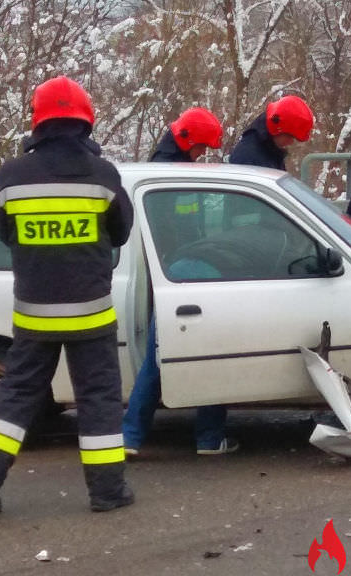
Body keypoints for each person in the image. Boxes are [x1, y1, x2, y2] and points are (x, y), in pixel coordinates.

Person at [0, 76, 134, 513]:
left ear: (38, 122)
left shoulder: (11, 176)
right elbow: (120, 233)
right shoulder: (103, 174)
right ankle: (107, 493)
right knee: (97, 400)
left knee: (16, 395)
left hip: (34, 316)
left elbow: (6, 234)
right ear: (85, 121)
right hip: (92, 317)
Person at [122, 108, 238, 456]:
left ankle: (131, 436)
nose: (202, 155)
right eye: (200, 148)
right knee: (211, 354)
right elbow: (173, 232)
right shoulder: (168, 174)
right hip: (186, 271)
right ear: (186, 140)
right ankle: (208, 437)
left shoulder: (168, 170)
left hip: (179, 271)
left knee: (159, 358)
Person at [228, 95, 314, 170]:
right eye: (290, 136)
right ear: (277, 128)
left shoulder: (270, 151)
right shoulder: (248, 157)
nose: (291, 142)